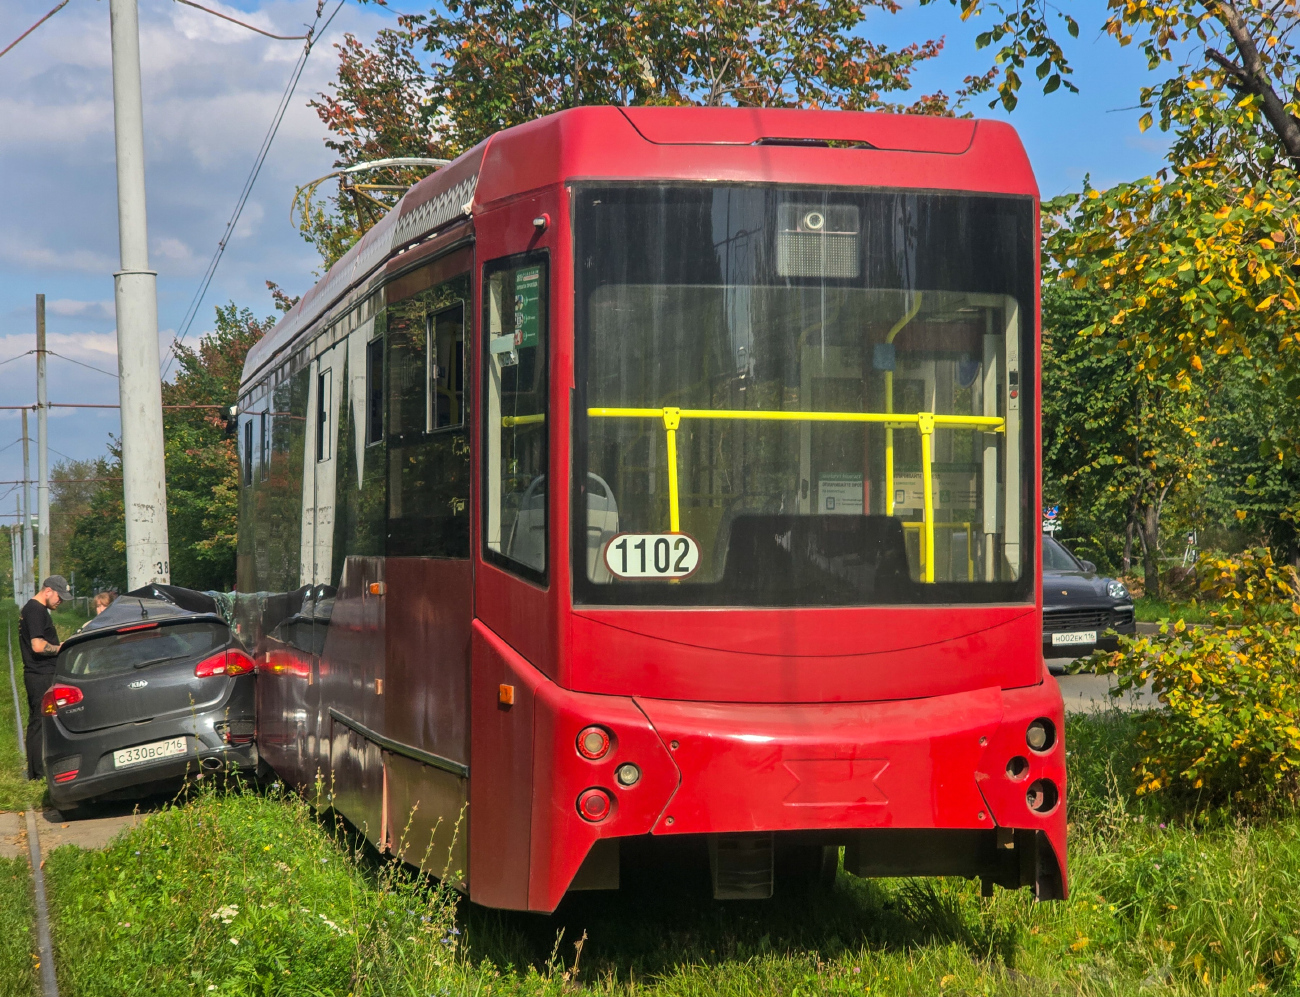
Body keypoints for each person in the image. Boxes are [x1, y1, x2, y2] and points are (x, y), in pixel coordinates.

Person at [19, 575, 70, 779]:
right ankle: (38, 774)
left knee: (39, 722)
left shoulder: (33, 609)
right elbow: (38, 645)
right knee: (41, 723)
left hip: (39, 675)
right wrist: (61, 648)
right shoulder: (36, 610)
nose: (61, 601)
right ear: (48, 590)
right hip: (41, 676)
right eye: (59, 596)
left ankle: (36, 772)